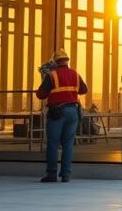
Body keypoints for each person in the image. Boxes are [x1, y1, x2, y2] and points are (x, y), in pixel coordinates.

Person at [35, 49, 87, 183]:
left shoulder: (52, 75)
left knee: (53, 143)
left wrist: (44, 79)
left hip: (57, 112)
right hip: (73, 111)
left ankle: (52, 174)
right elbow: (84, 90)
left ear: (55, 62)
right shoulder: (75, 74)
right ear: (67, 61)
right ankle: (66, 175)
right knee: (68, 144)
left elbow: (40, 94)